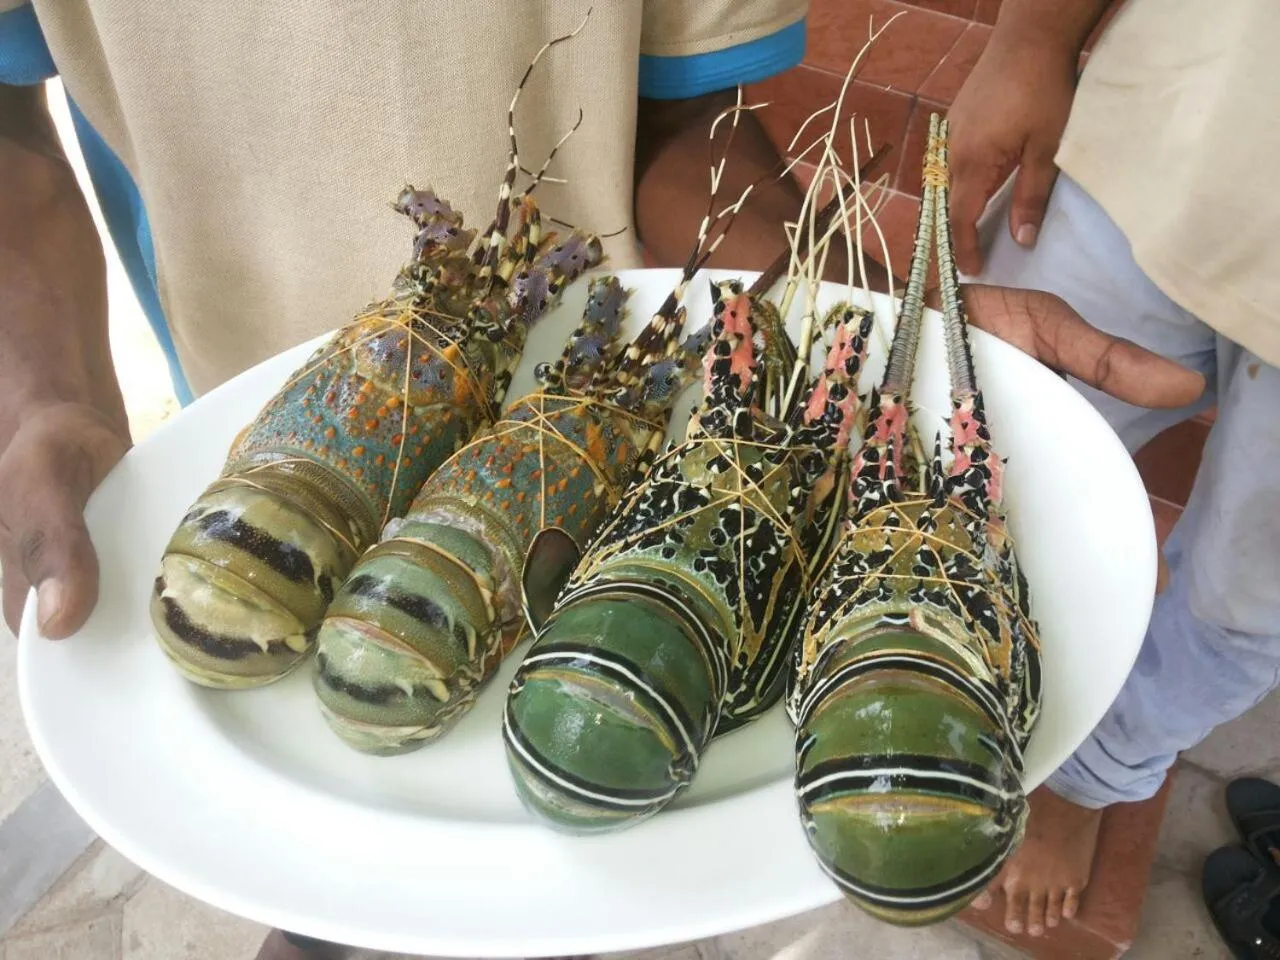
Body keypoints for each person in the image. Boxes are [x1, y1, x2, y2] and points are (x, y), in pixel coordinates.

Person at [0, 1, 1208, 957]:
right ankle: (335, 923)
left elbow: (692, 129)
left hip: (518, 431)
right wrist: (45, 394)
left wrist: (815, 299)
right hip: (449, 434)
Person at [945, 0, 1280, 941]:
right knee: (978, 454)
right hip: (1197, 101)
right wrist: (1032, 40)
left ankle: (1088, 784)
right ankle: (938, 687)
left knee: (1242, 606)